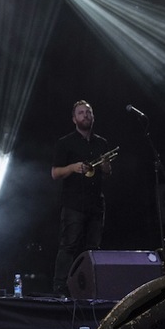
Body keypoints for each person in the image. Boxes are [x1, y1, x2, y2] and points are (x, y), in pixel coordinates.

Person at [50, 100, 112, 296]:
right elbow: (55, 173)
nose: (85, 115)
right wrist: (72, 167)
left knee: (94, 248)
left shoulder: (101, 143)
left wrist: (106, 167)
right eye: (81, 113)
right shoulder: (65, 143)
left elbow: (108, 173)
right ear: (74, 119)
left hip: (96, 203)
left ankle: (92, 288)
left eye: (88, 112)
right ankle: (60, 289)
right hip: (74, 203)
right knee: (68, 246)